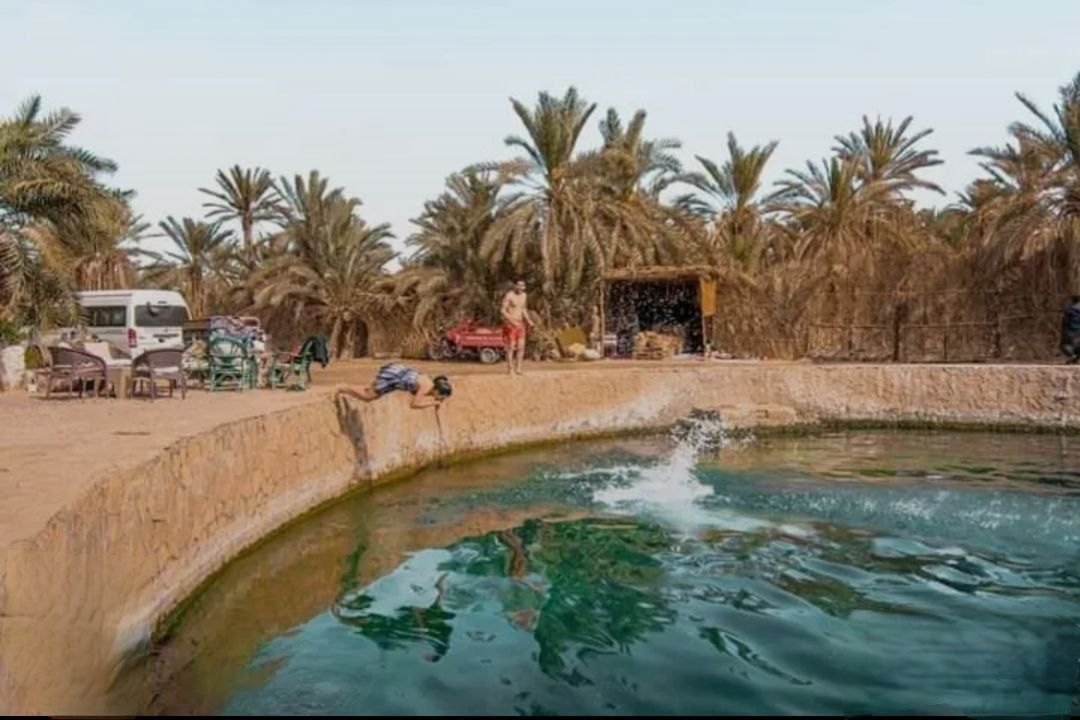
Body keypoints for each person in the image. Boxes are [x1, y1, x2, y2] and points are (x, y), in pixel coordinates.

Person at [336, 363, 452, 408]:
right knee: (369, 396)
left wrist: (435, 400)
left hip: (397, 372)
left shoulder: (430, 382)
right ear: (437, 391)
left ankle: (346, 389)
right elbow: (414, 404)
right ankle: (343, 387)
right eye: (442, 396)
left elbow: (417, 391)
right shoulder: (426, 387)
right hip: (393, 376)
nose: (441, 399)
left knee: (370, 391)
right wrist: (433, 403)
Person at [500, 279, 534, 375]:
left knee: (521, 346)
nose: (520, 287)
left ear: (524, 287)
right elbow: (503, 310)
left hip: (520, 323)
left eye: (522, 285)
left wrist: (529, 320)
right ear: (515, 286)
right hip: (511, 324)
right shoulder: (509, 295)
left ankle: (518, 368)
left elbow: (523, 309)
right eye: (518, 285)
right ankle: (510, 369)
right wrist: (511, 321)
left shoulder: (524, 296)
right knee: (511, 346)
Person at [1061, 295, 1080, 364]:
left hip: (1070, 330)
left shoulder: (1069, 309)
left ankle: (1072, 356)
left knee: (1065, 345)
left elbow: (1065, 321)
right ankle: (1076, 358)